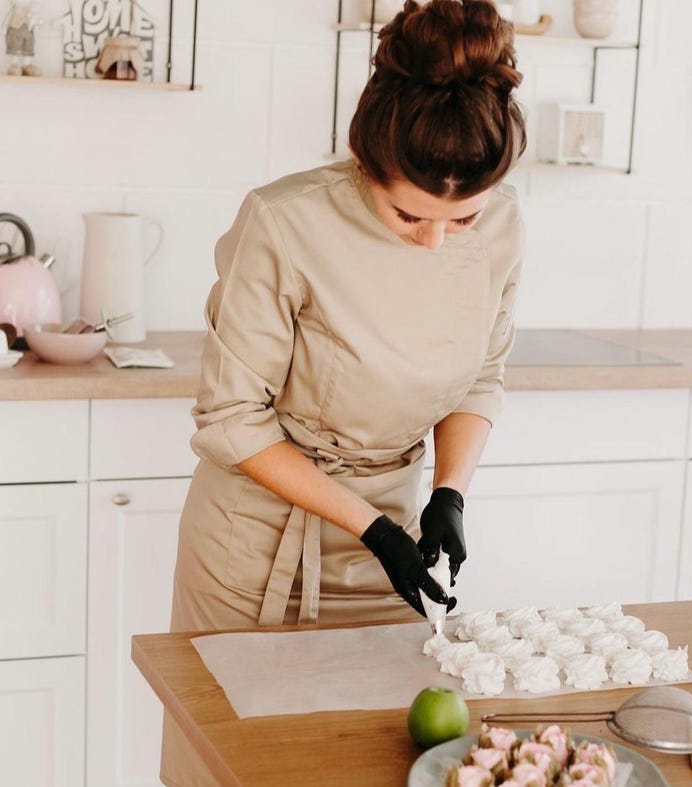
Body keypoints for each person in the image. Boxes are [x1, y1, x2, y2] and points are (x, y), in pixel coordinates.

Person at [160, 0, 526, 783]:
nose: (437, 238)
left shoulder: (504, 225)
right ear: (366, 163)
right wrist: (372, 528)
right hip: (254, 549)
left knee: (377, 757)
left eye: (461, 219)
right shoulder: (284, 221)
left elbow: (482, 376)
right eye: (408, 214)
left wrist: (448, 497)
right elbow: (231, 418)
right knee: (240, 764)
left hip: (390, 542)